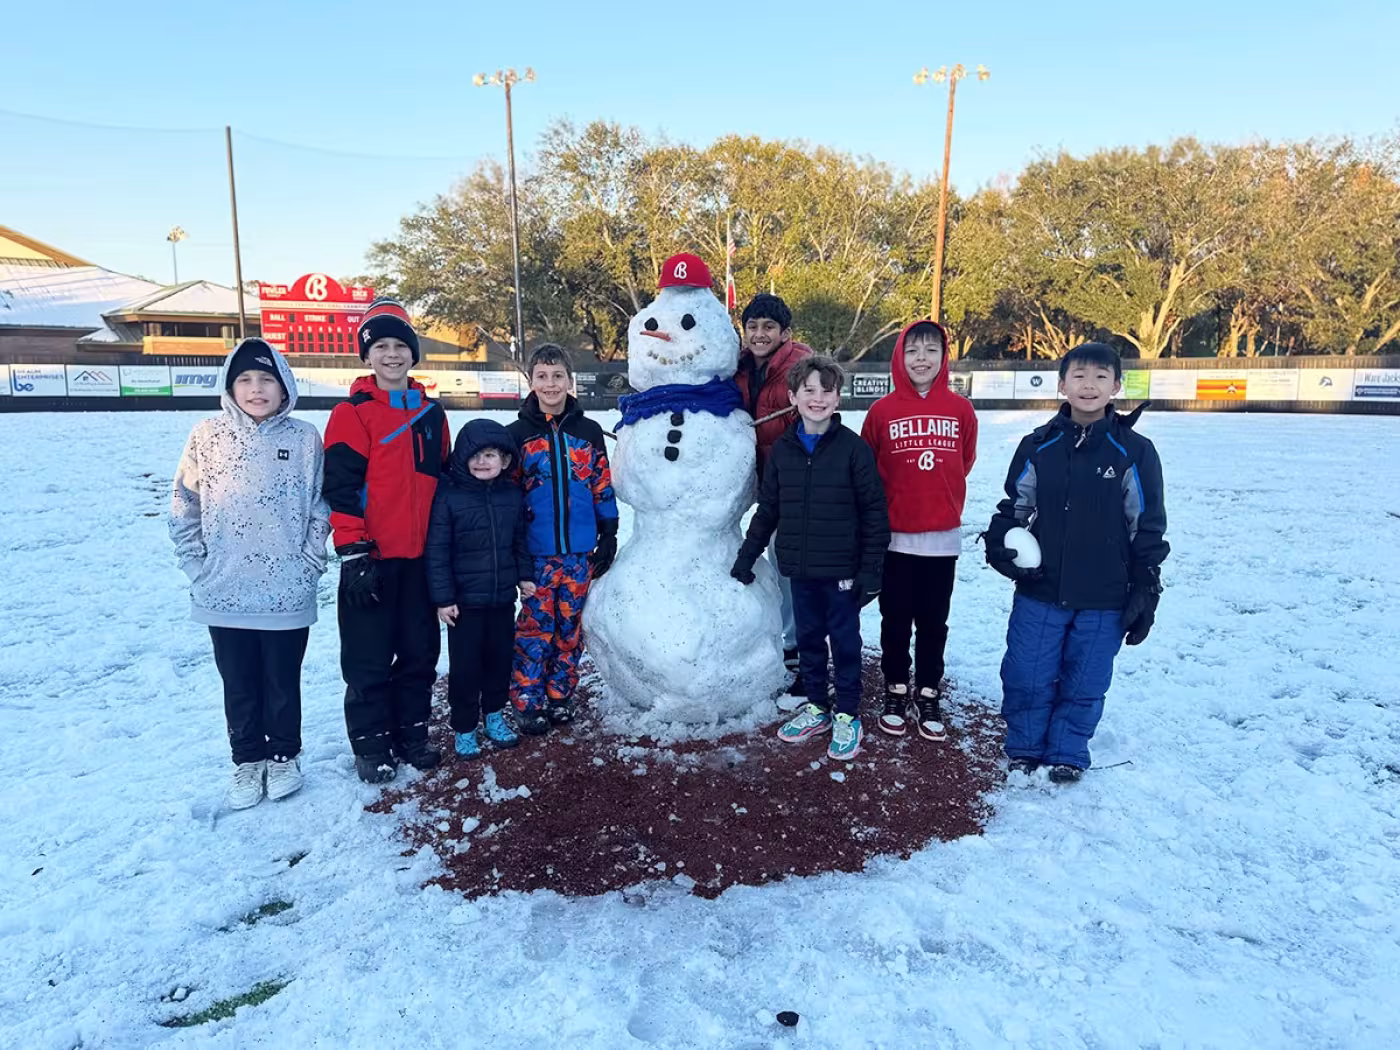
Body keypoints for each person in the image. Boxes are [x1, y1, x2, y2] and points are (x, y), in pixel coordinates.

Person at [983, 342, 1169, 784]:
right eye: (1080, 377)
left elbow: (1146, 524)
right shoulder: (1038, 445)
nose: (1089, 386)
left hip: (1104, 596)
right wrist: (1000, 543)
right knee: (1027, 672)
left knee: (1084, 680)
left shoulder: (1134, 451)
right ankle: (1025, 746)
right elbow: (1016, 506)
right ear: (1062, 384)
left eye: (1101, 377)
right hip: (1041, 589)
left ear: (1117, 386)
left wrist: (1146, 585)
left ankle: (1068, 750)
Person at [170, 338, 330, 809]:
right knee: (238, 681)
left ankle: (283, 755)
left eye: (266, 380)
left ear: (285, 388)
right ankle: (247, 760)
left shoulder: (304, 438)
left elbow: (321, 504)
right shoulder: (207, 435)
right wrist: (195, 564)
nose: (256, 389)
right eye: (245, 380)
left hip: (287, 589)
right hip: (224, 590)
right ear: (230, 386)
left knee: (283, 679)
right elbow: (184, 503)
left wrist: (310, 562)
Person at [730, 357, 889, 761]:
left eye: (826, 391)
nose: (817, 398)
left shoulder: (854, 450)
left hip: (842, 572)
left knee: (846, 642)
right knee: (809, 640)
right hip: (800, 569)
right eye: (809, 391)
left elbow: (874, 511)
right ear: (793, 396)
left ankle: (848, 712)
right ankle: (818, 706)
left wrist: (871, 570)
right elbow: (768, 509)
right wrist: (747, 556)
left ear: (838, 397)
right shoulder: (783, 450)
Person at [323, 298, 451, 784]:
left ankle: (412, 733)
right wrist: (354, 552)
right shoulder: (351, 414)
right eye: (381, 347)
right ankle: (372, 743)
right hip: (372, 560)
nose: (392, 355)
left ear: (413, 354)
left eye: (400, 346)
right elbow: (339, 488)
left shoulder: (433, 415)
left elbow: (443, 483)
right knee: (369, 658)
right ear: (367, 355)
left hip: (420, 562)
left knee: (420, 653)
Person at [860, 320, 978, 741]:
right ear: (899, 357)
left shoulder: (961, 409)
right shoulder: (882, 411)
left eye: (931, 350)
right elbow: (869, 470)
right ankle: (894, 688)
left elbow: (964, 460)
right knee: (894, 619)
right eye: (912, 351)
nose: (922, 359)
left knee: (934, 621)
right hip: (895, 538)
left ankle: (928, 690)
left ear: (944, 357)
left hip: (941, 538)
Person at [507, 344, 619, 734]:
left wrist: (609, 531)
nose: (550, 384)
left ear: (569, 381)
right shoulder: (517, 435)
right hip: (536, 556)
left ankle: (560, 695)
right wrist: (513, 547)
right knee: (535, 629)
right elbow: (509, 496)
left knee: (570, 628)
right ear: (531, 381)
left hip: (578, 553)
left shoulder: (587, 432)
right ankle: (526, 699)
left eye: (557, 376)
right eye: (542, 376)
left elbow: (601, 484)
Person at [425, 419, 535, 759]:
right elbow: (437, 550)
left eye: (490, 455)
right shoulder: (449, 497)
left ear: (504, 460)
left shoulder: (512, 496)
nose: (482, 462)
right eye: (475, 455)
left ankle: (494, 716)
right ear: (462, 458)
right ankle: (464, 726)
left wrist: (524, 576)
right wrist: (443, 599)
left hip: (502, 600)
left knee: (499, 662)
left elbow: (519, 541)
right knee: (466, 668)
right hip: (465, 605)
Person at [732, 293, 813, 694]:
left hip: (797, 485)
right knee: (776, 561)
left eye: (768, 327)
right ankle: (788, 641)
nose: (759, 334)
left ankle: (799, 649)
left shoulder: (799, 367)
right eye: (752, 327)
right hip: (763, 483)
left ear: (785, 333)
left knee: (791, 565)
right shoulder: (741, 368)